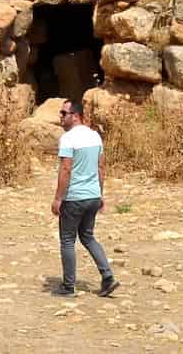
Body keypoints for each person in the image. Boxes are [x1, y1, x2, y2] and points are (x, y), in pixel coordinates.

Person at [51, 100, 118, 298]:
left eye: (64, 113)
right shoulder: (95, 136)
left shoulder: (68, 138)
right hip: (92, 197)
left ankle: (68, 286)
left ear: (76, 116)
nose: (61, 117)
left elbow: (66, 169)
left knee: (67, 240)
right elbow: (101, 167)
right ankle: (108, 277)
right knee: (88, 236)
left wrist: (58, 198)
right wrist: (100, 193)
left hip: (74, 198)